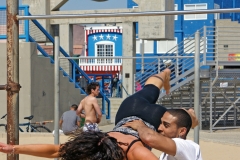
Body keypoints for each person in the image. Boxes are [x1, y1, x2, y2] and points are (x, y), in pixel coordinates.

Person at [0, 68, 199, 160]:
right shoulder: (91, 145)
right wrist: (14, 148)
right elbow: (55, 150)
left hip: (147, 119)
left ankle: (190, 115)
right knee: (150, 90)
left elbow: (54, 151)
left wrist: (15, 148)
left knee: (180, 121)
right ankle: (164, 75)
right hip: (128, 111)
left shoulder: (135, 152)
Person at [123, 108, 201, 160]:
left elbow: (149, 138)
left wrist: (140, 125)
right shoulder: (169, 152)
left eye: (166, 125)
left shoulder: (187, 146)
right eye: (161, 123)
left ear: (182, 131)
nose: (159, 128)